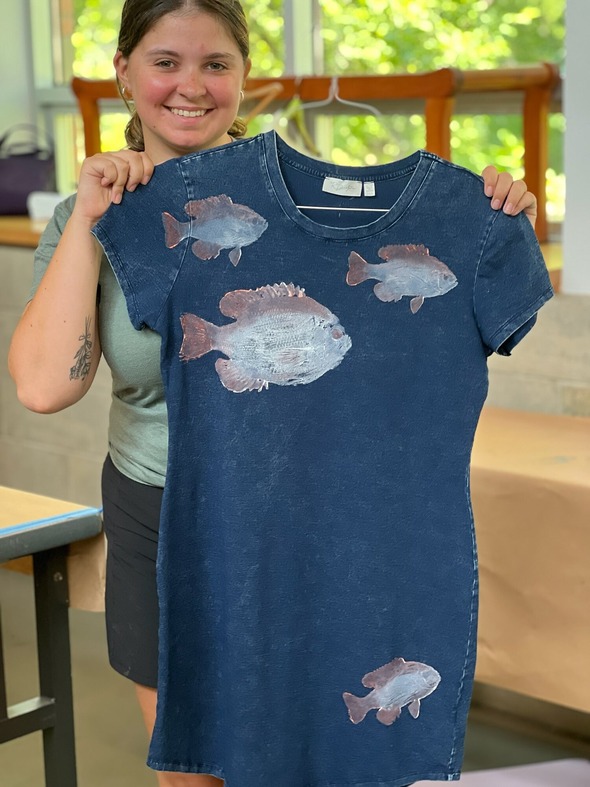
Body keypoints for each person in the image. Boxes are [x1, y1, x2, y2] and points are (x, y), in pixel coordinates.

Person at [8, 1, 541, 785]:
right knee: (192, 767)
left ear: (244, 77)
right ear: (123, 71)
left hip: (296, 514)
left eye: (215, 64)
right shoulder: (101, 213)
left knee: (299, 754)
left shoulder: (290, 207)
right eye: (166, 62)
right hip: (162, 508)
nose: (191, 85)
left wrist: (488, 217)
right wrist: (92, 214)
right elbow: (42, 385)